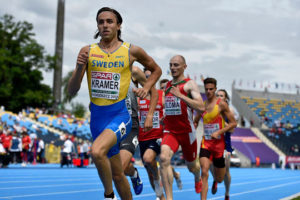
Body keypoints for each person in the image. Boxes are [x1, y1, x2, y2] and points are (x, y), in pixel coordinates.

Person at [68, 7, 162, 200]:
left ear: (118, 26)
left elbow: (156, 70)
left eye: (109, 21)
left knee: (96, 151)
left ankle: (108, 196)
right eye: (101, 22)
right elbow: (72, 90)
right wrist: (79, 68)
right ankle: (121, 188)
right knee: (119, 174)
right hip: (97, 119)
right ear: (97, 25)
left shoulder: (131, 51)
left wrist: (147, 87)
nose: (105, 25)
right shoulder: (87, 51)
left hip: (121, 116)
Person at [160, 55, 205, 200]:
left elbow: (201, 107)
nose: (173, 68)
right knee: (164, 158)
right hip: (170, 131)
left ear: (184, 66)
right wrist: (164, 117)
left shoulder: (189, 84)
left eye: (176, 65)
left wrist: (181, 95)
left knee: (192, 167)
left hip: (187, 132)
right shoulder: (167, 86)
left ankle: (197, 177)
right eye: (171, 65)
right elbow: (169, 106)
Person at [194, 78, 237, 200]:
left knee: (220, 178)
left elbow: (233, 123)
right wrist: (194, 125)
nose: (208, 91)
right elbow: (196, 120)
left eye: (211, 89)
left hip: (219, 146)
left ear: (215, 89)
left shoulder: (222, 104)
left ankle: (217, 182)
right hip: (206, 143)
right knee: (204, 172)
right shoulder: (202, 105)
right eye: (206, 89)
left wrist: (219, 131)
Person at [120, 66, 158, 195]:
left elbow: (154, 93)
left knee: (120, 167)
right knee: (111, 167)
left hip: (130, 124)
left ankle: (109, 195)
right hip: (110, 124)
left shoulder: (134, 71)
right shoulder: (103, 70)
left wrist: (150, 116)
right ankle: (133, 173)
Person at [137, 69, 165, 200]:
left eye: (150, 76)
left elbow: (172, 110)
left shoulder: (161, 94)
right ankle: (160, 196)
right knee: (149, 170)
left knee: (148, 159)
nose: (148, 79)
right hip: (143, 138)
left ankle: (159, 178)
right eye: (145, 76)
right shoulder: (138, 96)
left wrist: (166, 118)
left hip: (158, 136)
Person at [210, 89, 235, 200]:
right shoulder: (212, 109)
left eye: (222, 95)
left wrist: (221, 124)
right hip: (213, 143)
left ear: (226, 98)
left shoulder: (229, 111)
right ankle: (215, 178)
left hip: (225, 145)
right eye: (217, 95)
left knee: (226, 170)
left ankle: (227, 193)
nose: (219, 97)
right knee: (209, 165)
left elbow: (232, 130)